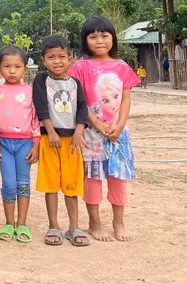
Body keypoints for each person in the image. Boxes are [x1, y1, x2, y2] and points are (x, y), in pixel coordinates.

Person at [68, 17, 139, 243]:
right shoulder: (80, 67)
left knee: (118, 178)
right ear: (85, 40)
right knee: (93, 179)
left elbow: (126, 99)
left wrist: (120, 126)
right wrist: (98, 125)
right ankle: (95, 223)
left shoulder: (122, 67)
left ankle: (119, 222)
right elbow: (79, 101)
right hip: (91, 133)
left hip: (119, 135)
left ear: (113, 38)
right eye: (93, 36)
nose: (99, 41)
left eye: (104, 35)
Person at [33, 35, 89, 247]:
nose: (57, 61)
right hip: (50, 139)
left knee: (71, 185)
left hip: (72, 141)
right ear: (43, 60)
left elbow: (82, 107)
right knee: (51, 185)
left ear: (70, 58)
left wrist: (79, 131)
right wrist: (50, 131)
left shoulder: (75, 83)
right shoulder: (41, 80)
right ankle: (53, 225)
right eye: (51, 57)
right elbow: (41, 106)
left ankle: (74, 227)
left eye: (61, 57)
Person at [0, 45, 40, 244]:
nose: (12, 71)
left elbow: (36, 120)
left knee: (23, 183)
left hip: (25, 143)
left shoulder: (30, 92)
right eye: (7, 66)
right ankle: (8, 223)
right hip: (3, 143)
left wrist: (36, 145)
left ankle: (22, 223)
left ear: (25, 69)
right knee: (8, 184)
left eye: (17, 67)